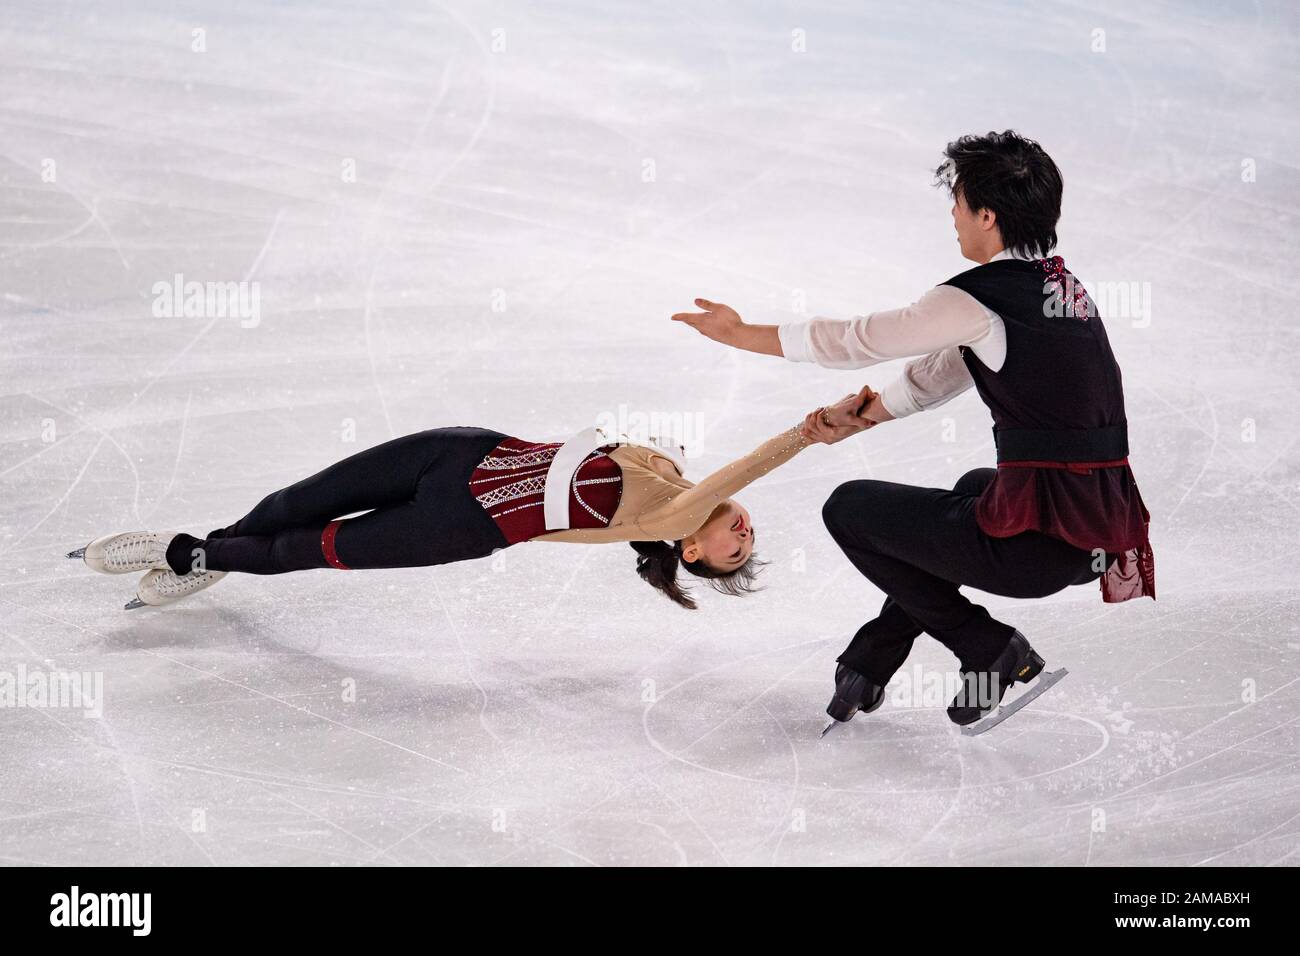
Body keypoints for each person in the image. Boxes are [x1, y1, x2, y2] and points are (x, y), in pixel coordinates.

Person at [672, 130, 1154, 729]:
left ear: (987, 213)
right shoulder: (1061, 288)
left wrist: (742, 335)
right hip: (1098, 532)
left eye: (958, 201)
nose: (952, 215)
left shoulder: (976, 299)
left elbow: (859, 341)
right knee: (972, 489)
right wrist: (862, 418)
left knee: (850, 509)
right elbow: (946, 371)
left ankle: (987, 647)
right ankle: (874, 659)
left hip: (1040, 551)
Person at [69, 422, 813, 610]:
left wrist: (810, 431)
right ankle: (222, 548)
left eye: (728, 553)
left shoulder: (665, 517)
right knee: (298, 501)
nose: (742, 535)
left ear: (689, 551)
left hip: (455, 528)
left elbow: (743, 469)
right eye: (745, 535)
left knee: (307, 546)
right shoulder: (669, 468)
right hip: (464, 455)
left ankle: (186, 554)